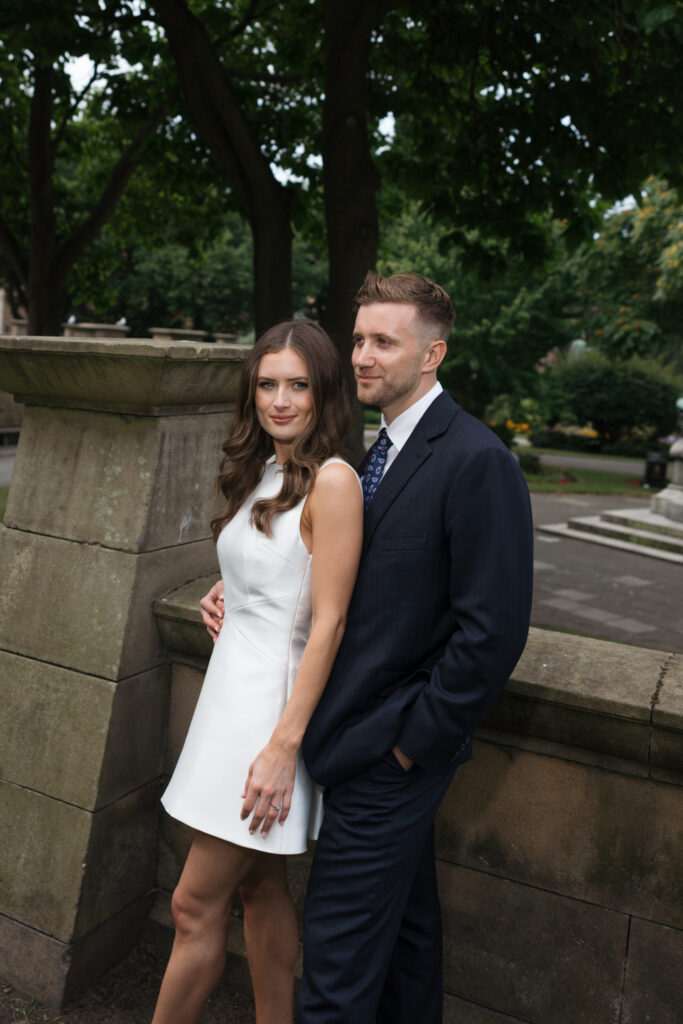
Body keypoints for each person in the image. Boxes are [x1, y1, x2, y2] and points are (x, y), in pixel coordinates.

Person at [202, 271, 534, 1024]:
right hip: (348, 744)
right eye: (357, 338)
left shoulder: (476, 460)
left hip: (390, 756)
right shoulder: (366, 457)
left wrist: (412, 747)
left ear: (432, 354)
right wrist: (243, 592)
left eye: (383, 341)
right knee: (407, 947)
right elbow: (333, 580)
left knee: (334, 975)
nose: (361, 355)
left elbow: (492, 634)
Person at [152, 320, 363, 1024]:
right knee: (260, 889)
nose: (279, 400)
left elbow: (327, 622)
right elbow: (273, 574)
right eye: (267, 384)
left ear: (323, 391)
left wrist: (282, 747)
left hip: (266, 720)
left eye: (297, 386)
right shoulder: (269, 469)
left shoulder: (333, 481)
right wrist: (229, 591)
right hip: (229, 700)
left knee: (191, 904)